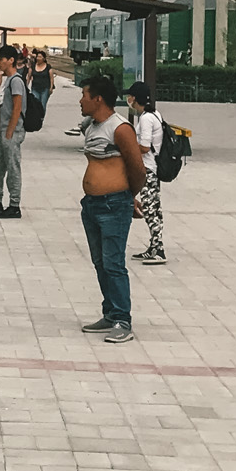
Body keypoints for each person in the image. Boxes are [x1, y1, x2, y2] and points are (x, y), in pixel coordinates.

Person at [76, 71, 146, 342]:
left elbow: (137, 168)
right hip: (92, 205)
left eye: (84, 95)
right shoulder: (91, 125)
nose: (80, 101)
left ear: (98, 98)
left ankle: (122, 320)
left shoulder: (119, 128)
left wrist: (128, 197)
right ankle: (110, 313)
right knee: (100, 262)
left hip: (113, 204)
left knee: (114, 263)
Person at [127, 80, 166, 265]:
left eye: (130, 97)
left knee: (150, 210)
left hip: (148, 169)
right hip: (151, 167)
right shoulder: (154, 114)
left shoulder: (146, 118)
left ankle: (158, 250)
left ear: (135, 98)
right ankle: (153, 246)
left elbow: (144, 146)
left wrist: (128, 148)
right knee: (153, 208)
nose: (129, 100)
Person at [0, 45, 26, 221]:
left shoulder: (16, 81)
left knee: (12, 168)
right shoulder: (7, 79)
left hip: (11, 131)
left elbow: (17, 107)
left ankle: (14, 205)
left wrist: (10, 132)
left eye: (2, 59)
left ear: (11, 60)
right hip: (4, 131)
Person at [29, 48, 53, 113]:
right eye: (37, 57)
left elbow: (51, 77)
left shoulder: (48, 67)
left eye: (40, 57)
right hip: (35, 88)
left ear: (44, 58)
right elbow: (29, 76)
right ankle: (36, 119)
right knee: (35, 105)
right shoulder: (33, 66)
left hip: (45, 89)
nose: (38, 58)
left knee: (42, 105)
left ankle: (41, 119)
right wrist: (26, 85)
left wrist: (51, 87)